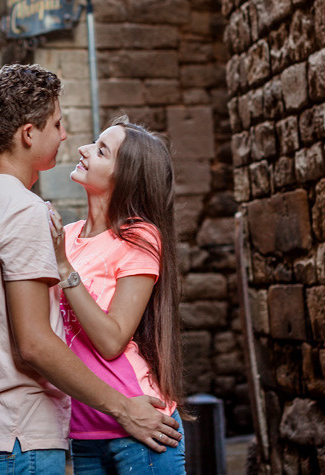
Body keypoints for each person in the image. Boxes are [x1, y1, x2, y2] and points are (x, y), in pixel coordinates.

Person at [0, 65, 181, 474]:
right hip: (21, 433)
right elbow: (35, 342)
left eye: (102, 149)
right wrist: (122, 409)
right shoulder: (28, 212)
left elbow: (104, 338)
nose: (69, 137)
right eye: (56, 123)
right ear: (28, 134)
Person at [48, 116, 186, 474]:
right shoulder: (68, 234)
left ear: (122, 176)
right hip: (83, 430)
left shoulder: (139, 237)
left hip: (140, 428)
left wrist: (64, 268)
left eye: (101, 150)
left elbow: (111, 341)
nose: (83, 149)